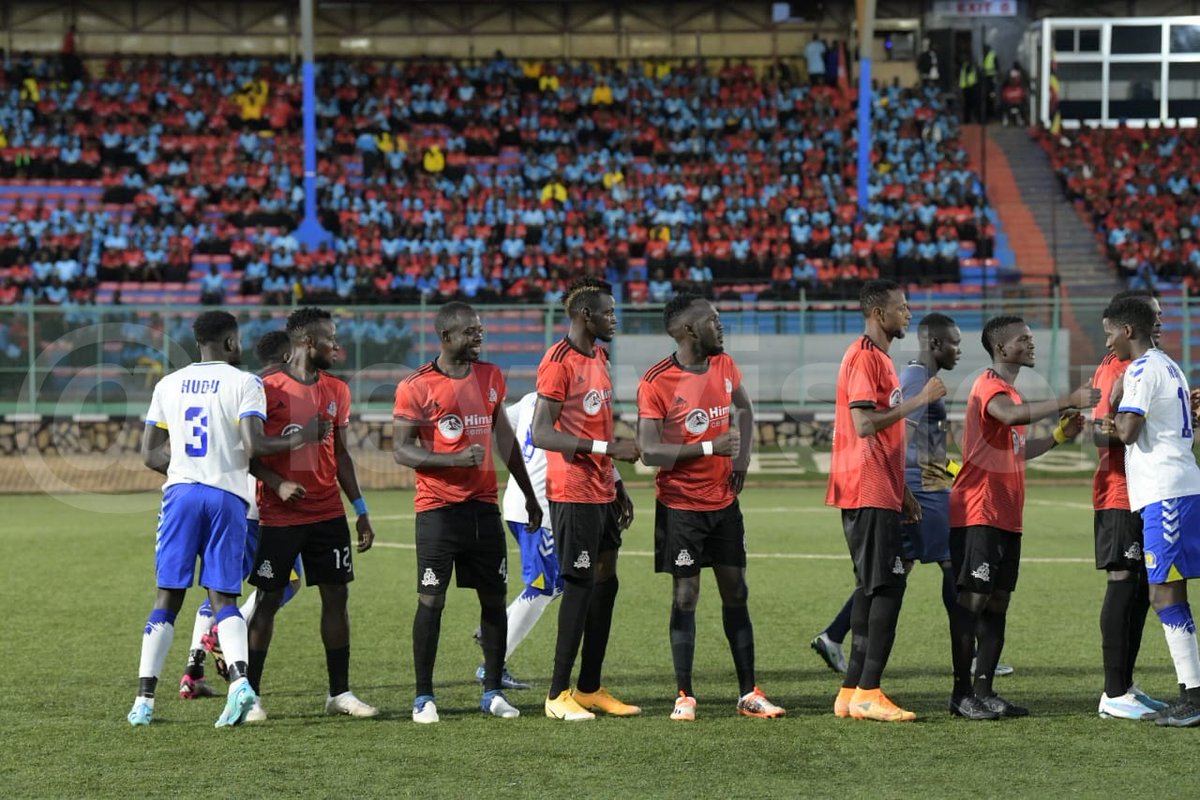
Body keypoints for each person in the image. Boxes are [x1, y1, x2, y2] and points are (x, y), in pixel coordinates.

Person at [128, 311, 326, 727]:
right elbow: (254, 445)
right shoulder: (245, 383)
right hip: (227, 498)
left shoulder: (168, 384)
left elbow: (149, 454)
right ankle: (239, 685)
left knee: (167, 598)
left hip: (180, 494)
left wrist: (187, 469)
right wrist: (302, 436)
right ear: (232, 343)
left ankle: (143, 702)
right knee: (223, 598)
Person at [812, 314, 1015, 681]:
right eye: (954, 342)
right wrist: (906, 487)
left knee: (895, 572)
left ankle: (834, 636)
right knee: (954, 570)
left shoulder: (922, 378)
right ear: (935, 344)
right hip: (922, 488)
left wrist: (955, 472)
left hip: (928, 484)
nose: (959, 349)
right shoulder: (916, 379)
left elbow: (928, 446)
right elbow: (900, 437)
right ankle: (968, 656)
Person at [637, 293, 784, 721]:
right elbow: (648, 450)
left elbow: (745, 410)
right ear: (687, 330)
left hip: (723, 503)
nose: (720, 327)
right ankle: (684, 694)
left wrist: (739, 461)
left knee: (736, 591)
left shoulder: (724, 365)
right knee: (686, 594)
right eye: (712, 321)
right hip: (681, 506)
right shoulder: (656, 380)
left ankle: (749, 693)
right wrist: (709, 447)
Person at [393, 302, 542, 723]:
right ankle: (424, 697)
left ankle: (492, 691)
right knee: (431, 600)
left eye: (481, 331)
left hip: (482, 509)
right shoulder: (416, 386)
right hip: (438, 511)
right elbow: (402, 449)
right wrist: (453, 461)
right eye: (470, 332)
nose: (479, 337)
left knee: (493, 600)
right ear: (446, 338)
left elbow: (506, 441)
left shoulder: (491, 376)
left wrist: (528, 494)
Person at [949, 316, 1096, 719]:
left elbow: (1015, 448)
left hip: (1007, 514)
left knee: (998, 603)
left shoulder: (1010, 391)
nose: (1032, 345)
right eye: (1024, 340)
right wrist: (1068, 399)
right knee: (973, 602)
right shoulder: (989, 386)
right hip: (979, 509)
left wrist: (1058, 437)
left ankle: (985, 690)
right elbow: (1010, 417)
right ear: (1001, 348)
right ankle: (961, 694)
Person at [245, 307, 378, 722]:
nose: (336, 346)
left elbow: (340, 454)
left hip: (327, 513)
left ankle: (340, 693)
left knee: (337, 598)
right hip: (279, 514)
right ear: (305, 342)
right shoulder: (265, 387)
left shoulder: (337, 389)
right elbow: (246, 453)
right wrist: (278, 482)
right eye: (330, 339)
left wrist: (360, 509)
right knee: (267, 599)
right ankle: (250, 696)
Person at [826, 279, 946, 723]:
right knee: (888, 587)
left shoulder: (880, 358)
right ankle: (869, 691)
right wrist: (920, 399)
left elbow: (883, 434)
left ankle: (849, 692)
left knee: (870, 586)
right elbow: (863, 425)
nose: (908, 313)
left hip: (881, 487)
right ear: (879, 314)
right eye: (902, 307)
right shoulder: (863, 356)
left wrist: (904, 490)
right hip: (865, 487)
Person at [466, 391, 637, 691]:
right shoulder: (579, 403)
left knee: (557, 583)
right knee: (548, 585)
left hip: (527, 503)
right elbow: (589, 448)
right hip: (541, 509)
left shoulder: (531, 399)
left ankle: (495, 635)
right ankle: (494, 655)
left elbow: (501, 425)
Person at [533, 277, 641, 721]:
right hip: (572, 491)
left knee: (606, 580)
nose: (615, 319)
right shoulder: (558, 361)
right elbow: (542, 432)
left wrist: (615, 479)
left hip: (599, 488)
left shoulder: (600, 354)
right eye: (609, 312)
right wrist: (606, 452)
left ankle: (591, 686)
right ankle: (557, 694)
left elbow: (598, 424)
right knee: (579, 584)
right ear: (585, 316)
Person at [177, 330, 306, 698]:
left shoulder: (235, 384)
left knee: (221, 587)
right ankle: (222, 631)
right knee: (287, 582)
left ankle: (192, 670)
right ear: (286, 357)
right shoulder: (270, 388)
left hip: (224, 496)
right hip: (259, 503)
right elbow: (256, 447)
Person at [1107, 297, 1200, 727]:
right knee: (1167, 591)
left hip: (1166, 494)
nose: (1109, 343)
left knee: (1163, 593)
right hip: (1176, 489)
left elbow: (1127, 431)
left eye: (1110, 333)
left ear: (1128, 331)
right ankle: (1192, 692)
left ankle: (1194, 697)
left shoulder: (1141, 369)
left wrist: (1113, 399)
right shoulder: (1172, 365)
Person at [1089, 291, 1169, 719]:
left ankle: (1125, 685)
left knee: (1138, 587)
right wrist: (1121, 418)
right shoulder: (1122, 365)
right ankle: (1113, 692)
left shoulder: (1145, 364)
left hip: (1142, 491)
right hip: (1119, 491)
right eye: (1154, 315)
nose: (1161, 321)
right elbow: (1100, 432)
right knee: (1123, 581)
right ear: (1131, 324)